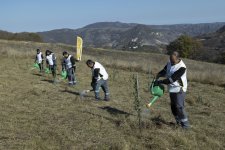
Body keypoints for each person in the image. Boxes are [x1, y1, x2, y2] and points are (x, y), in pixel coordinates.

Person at [156, 51, 190, 129]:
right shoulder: (169, 62)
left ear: (178, 59)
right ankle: (178, 122)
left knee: (179, 107)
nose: (171, 62)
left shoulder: (182, 68)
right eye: (170, 60)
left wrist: (161, 81)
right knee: (173, 106)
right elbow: (164, 71)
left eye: (173, 60)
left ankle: (186, 126)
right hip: (171, 88)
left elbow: (172, 79)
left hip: (179, 88)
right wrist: (158, 75)